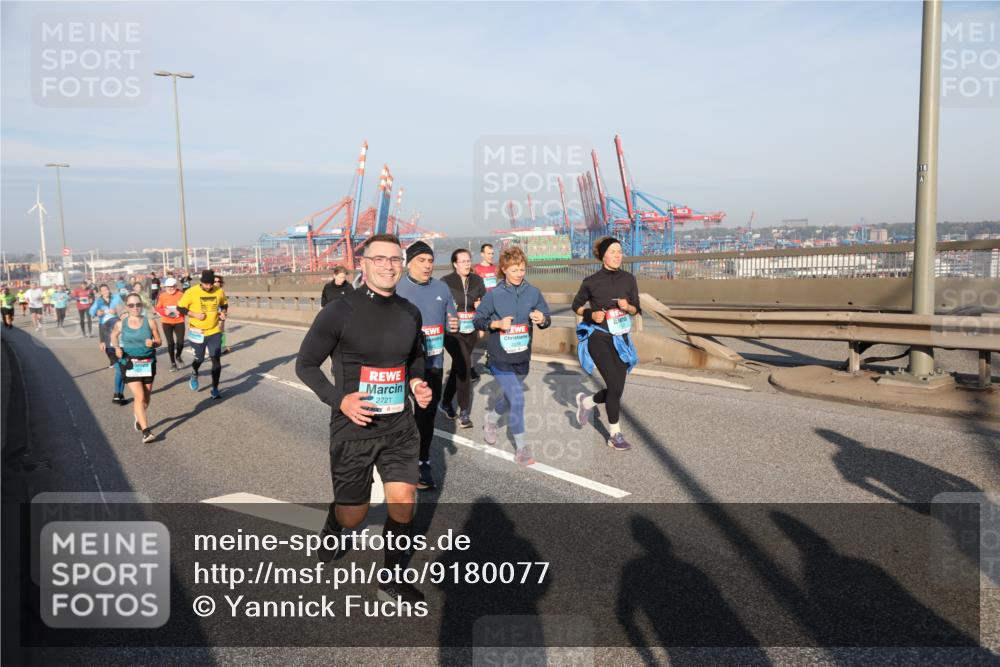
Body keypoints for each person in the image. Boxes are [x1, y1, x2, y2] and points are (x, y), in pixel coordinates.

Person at [295, 233, 432, 604]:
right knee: (353, 516)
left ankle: (391, 579)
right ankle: (334, 524)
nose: (388, 265)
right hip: (353, 427)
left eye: (394, 259)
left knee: (404, 504)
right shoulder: (340, 311)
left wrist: (417, 381)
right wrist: (339, 401)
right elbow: (305, 365)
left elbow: (415, 357)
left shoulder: (410, 312)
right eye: (380, 259)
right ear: (364, 264)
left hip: (400, 426)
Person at [473, 246, 551, 466]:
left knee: (509, 398)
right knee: (517, 399)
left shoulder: (533, 292)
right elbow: (478, 321)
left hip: (522, 358)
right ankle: (522, 449)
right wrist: (496, 324)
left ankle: (491, 419)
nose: (519, 273)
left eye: (522, 269)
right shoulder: (494, 295)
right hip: (500, 358)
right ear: (504, 269)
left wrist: (541, 318)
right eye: (515, 269)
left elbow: (547, 318)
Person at [396, 241, 458, 491]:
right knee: (398, 415)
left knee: (425, 417)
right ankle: (396, 459)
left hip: (433, 364)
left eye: (430, 261)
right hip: (401, 366)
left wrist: (452, 326)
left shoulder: (441, 287)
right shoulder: (397, 288)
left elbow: (450, 320)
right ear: (408, 263)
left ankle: (422, 461)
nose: (427, 265)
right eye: (421, 260)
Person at [572, 236, 641, 451]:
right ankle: (615, 435)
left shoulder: (629, 279)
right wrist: (591, 314)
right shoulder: (591, 281)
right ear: (603, 256)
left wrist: (627, 306)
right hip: (598, 338)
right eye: (612, 251)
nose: (617, 255)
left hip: (620, 339)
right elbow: (576, 306)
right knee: (614, 386)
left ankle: (586, 402)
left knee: (616, 389)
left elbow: (636, 308)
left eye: (620, 251)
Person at [440, 248, 486, 429]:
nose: (467, 264)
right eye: (463, 261)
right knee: (465, 365)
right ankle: (464, 412)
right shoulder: (445, 282)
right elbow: (440, 305)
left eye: (468, 261)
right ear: (455, 264)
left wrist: (481, 315)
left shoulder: (477, 281)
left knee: (459, 366)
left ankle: (444, 402)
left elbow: (484, 305)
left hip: (471, 331)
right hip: (452, 332)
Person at [111, 293, 161, 443]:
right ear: (127, 307)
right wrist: (117, 348)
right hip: (130, 362)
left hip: (148, 362)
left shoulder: (150, 322)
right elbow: (114, 336)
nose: (135, 308)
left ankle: (139, 417)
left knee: (146, 397)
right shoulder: (121, 324)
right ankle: (146, 431)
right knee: (139, 396)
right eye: (131, 305)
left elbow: (159, 341)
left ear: (142, 306)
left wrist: (153, 343)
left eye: (138, 305)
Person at [177, 269, 228, 399]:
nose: (209, 286)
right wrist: (194, 314)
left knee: (215, 358)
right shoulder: (191, 292)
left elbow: (224, 304)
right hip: (197, 331)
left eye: (211, 284)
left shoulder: (219, 291)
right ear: (201, 282)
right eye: (206, 284)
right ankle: (194, 373)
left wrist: (223, 312)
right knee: (199, 359)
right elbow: (180, 307)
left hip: (214, 331)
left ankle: (215, 389)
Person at [89, 284, 127, 403]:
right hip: (106, 332)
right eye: (103, 290)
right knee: (119, 369)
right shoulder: (98, 301)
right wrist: (97, 313)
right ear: (100, 292)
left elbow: (124, 309)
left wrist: (116, 310)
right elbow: (91, 311)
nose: (106, 291)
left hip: (119, 329)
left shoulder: (116, 298)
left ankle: (119, 395)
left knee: (123, 369)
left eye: (107, 289)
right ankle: (117, 394)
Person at [155, 277, 186, 371]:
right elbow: (157, 308)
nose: (170, 289)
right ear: (165, 287)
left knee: (180, 342)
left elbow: (186, 307)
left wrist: (179, 311)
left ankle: (178, 355)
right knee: (170, 343)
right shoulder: (162, 296)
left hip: (179, 321)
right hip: (166, 322)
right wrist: (165, 311)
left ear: (176, 286)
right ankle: (173, 363)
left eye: (172, 287)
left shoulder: (181, 294)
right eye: (168, 287)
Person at [213, 275, 233, 354]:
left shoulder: (221, 291)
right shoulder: (208, 292)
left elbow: (225, 304)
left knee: (221, 330)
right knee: (212, 331)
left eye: (218, 281)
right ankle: (211, 347)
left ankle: (222, 347)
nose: (217, 283)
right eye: (215, 281)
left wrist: (224, 312)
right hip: (211, 314)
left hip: (220, 313)